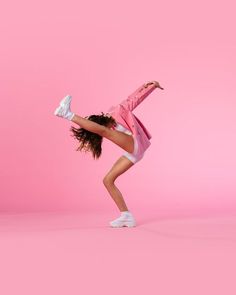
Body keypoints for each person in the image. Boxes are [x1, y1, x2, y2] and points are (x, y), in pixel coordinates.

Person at [54, 80, 164, 228]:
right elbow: (100, 130)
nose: (96, 131)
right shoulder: (106, 129)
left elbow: (134, 99)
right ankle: (126, 216)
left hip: (135, 144)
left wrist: (150, 86)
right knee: (108, 180)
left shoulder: (117, 112)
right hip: (133, 153)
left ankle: (67, 114)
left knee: (106, 132)